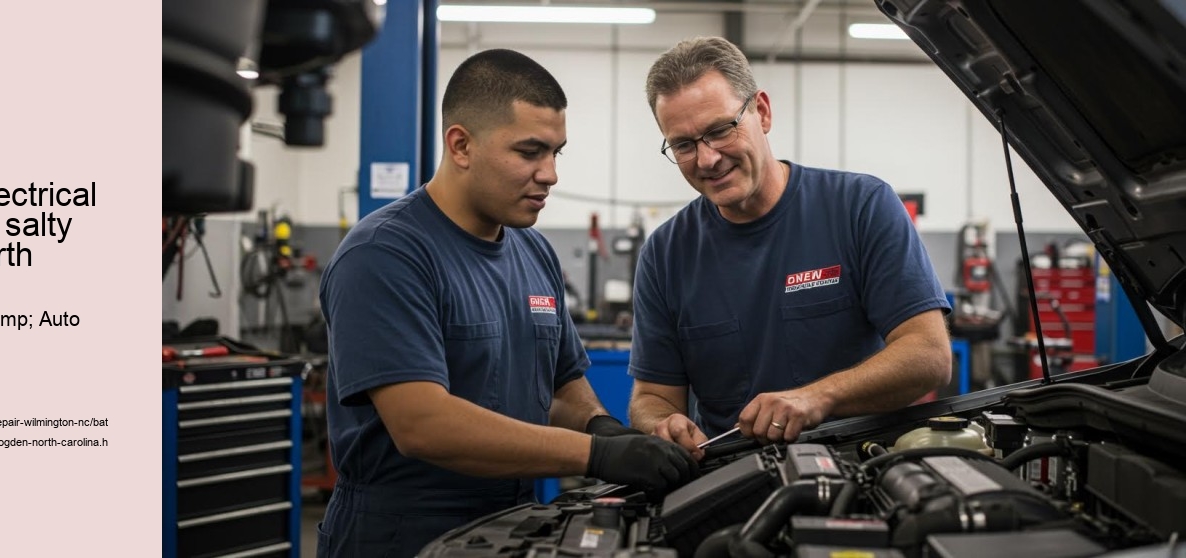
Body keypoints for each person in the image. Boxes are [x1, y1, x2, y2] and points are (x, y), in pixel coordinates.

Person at [317, 49, 698, 558]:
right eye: (529, 151)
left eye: (556, 152)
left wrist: (600, 424)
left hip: (509, 524)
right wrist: (597, 453)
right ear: (461, 145)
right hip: (401, 529)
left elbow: (562, 386)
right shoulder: (385, 254)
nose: (550, 175)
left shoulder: (531, 249)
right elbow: (422, 426)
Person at [627, 37, 952, 455]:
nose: (707, 159)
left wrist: (818, 396)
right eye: (684, 145)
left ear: (761, 112)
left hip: (861, 473)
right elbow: (652, 395)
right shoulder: (665, 253)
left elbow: (929, 355)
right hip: (730, 480)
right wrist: (663, 424)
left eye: (720, 130)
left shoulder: (860, 207)